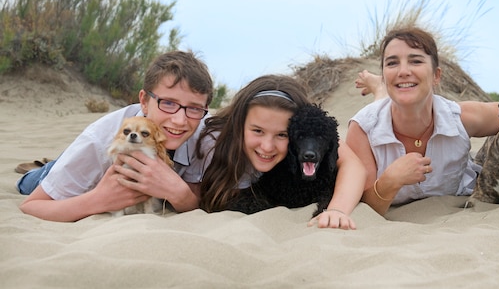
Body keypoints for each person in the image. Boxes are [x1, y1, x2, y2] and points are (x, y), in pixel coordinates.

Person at [346, 26, 499, 215]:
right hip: (382, 112)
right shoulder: (362, 130)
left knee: (391, 97)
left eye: (415, 61)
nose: (403, 70)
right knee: (380, 106)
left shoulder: (460, 117)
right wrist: (390, 181)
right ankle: (379, 86)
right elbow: (367, 205)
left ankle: (380, 86)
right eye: (392, 63)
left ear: (436, 76)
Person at [16, 50, 214, 222]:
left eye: (194, 108)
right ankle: (43, 168)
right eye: (168, 103)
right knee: (33, 181)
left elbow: (196, 195)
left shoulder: (205, 135)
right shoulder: (100, 139)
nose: (180, 120)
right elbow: (32, 205)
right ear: (144, 101)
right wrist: (98, 200)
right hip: (78, 171)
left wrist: (182, 196)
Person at [195, 74, 366, 230]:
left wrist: (336, 210)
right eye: (257, 131)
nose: (267, 146)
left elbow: (352, 164)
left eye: (282, 134)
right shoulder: (213, 143)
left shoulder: (304, 134)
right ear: (239, 124)